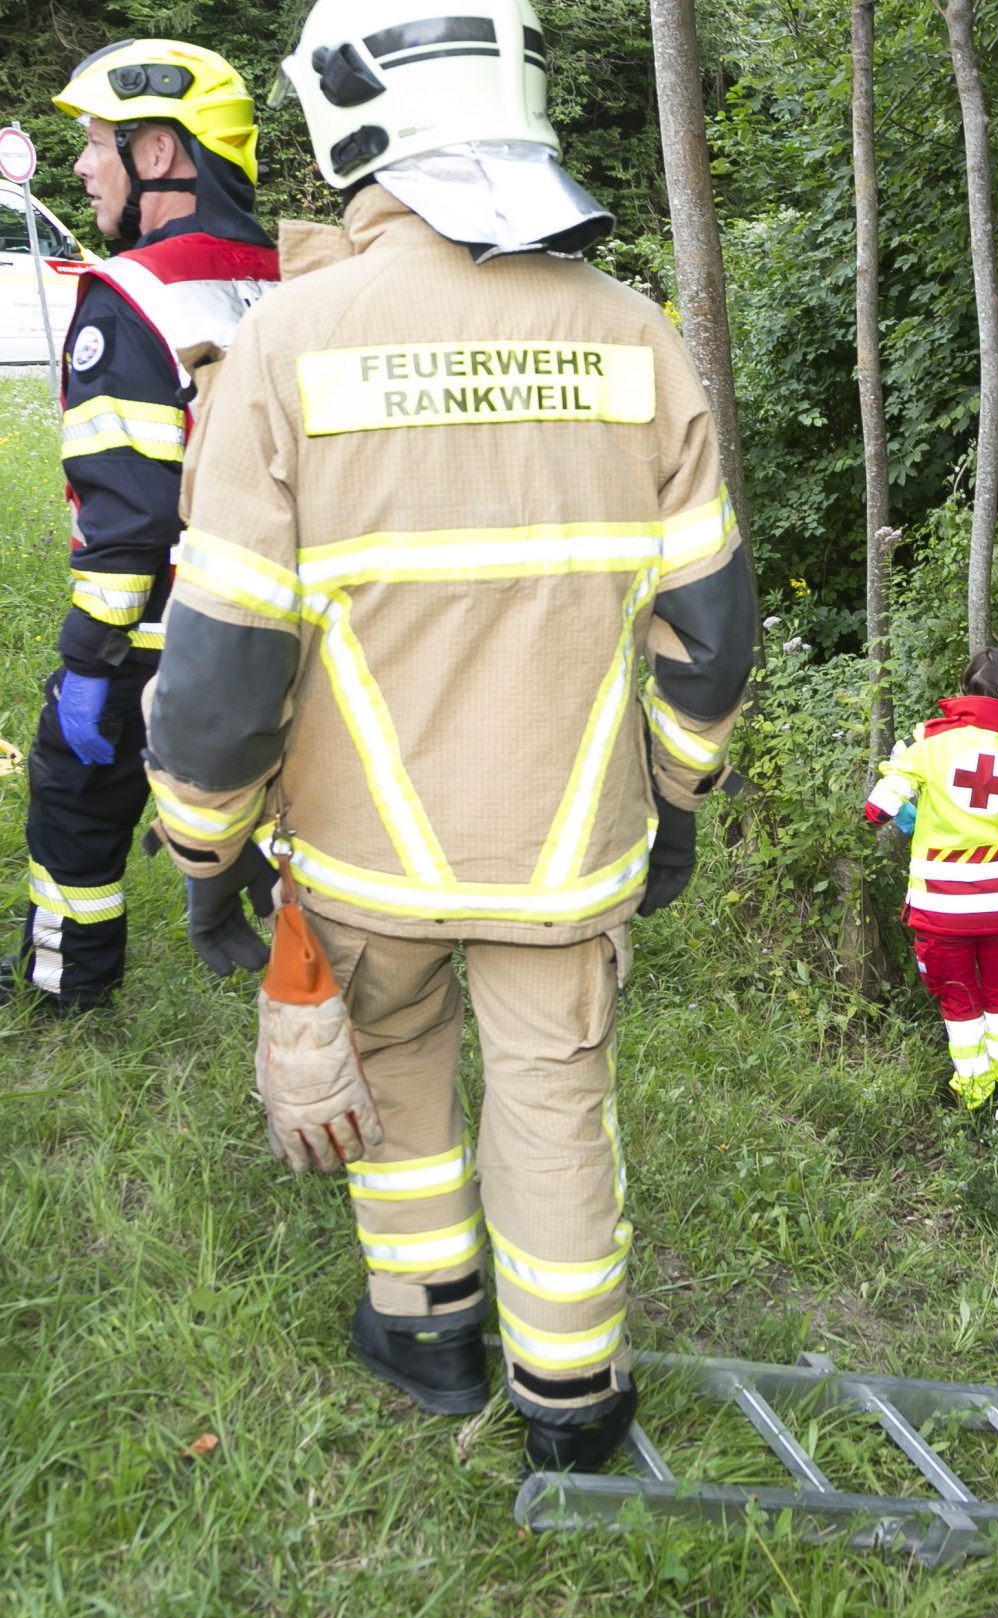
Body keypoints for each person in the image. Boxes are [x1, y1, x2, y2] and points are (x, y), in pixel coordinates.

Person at [142, 0, 755, 1474]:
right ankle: (571, 1397)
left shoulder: (282, 343)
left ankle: (425, 1328)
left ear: (354, 118)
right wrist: (674, 796)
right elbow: (712, 630)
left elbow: (223, 669)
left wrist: (202, 847)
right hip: (565, 845)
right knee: (554, 1102)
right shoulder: (635, 334)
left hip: (360, 858)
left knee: (400, 1073)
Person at [5, 39, 279, 1013]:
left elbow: (129, 517)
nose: (81, 166)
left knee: (76, 803)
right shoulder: (296, 285)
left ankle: (67, 990)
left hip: (164, 638)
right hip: (297, 629)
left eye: (95, 144)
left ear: (159, 152)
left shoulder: (133, 299)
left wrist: (88, 658)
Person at [864, 647, 998, 1130]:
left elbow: (875, 812)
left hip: (940, 912)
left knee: (960, 1006)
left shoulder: (927, 741)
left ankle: (977, 1103)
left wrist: (910, 810)